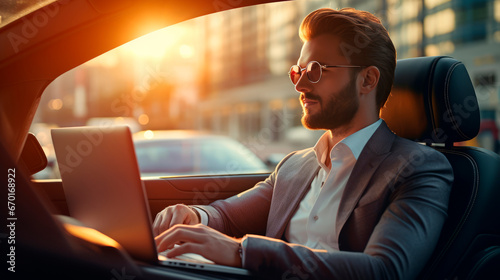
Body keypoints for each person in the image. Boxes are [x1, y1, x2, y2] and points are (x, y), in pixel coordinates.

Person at [153, 7, 453, 279]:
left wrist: (240, 253)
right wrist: (194, 216)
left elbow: (385, 271)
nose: (299, 85)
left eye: (315, 71)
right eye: (298, 71)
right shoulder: (295, 165)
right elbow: (228, 216)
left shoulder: (418, 168)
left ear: (367, 80)